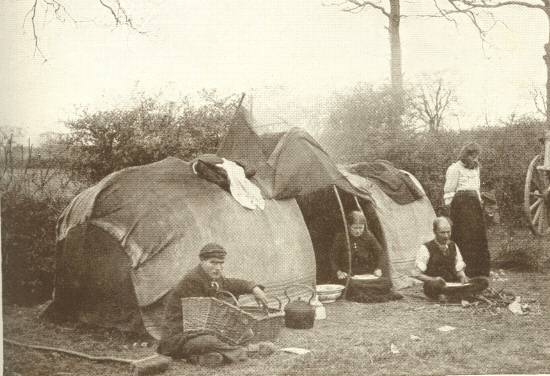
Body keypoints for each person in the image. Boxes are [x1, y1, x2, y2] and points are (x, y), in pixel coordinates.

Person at [157, 242, 268, 367]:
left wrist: (253, 288)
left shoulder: (213, 276)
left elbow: (231, 283)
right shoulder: (192, 280)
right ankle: (245, 353)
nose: (218, 267)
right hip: (181, 336)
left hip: (204, 330)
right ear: (202, 261)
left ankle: (203, 358)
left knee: (247, 333)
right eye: (213, 262)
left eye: (221, 263)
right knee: (209, 341)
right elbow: (201, 319)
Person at [443, 142, 490, 277]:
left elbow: (477, 188)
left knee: (477, 237)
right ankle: (463, 270)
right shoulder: (454, 168)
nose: (475, 159)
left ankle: (478, 270)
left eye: (476, 157)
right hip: (461, 207)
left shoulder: (476, 169)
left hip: (474, 206)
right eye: (472, 156)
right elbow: (449, 190)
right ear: (465, 156)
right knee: (464, 237)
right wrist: (450, 211)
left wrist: (479, 202)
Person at [415, 217, 489, 302]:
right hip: (439, 286)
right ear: (434, 232)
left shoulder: (453, 245)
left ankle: (451, 296)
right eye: (442, 233)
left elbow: (459, 266)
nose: (446, 236)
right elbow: (417, 274)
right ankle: (460, 295)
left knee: (483, 281)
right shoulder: (426, 248)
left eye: (448, 232)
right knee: (432, 285)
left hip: (454, 284)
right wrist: (433, 279)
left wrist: (462, 276)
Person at [330, 210, 382, 281]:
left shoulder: (369, 237)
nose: (358, 231)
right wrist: (338, 272)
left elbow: (380, 253)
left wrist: (379, 268)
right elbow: (333, 257)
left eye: (360, 228)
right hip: (346, 274)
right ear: (349, 226)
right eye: (355, 228)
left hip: (366, 273)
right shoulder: (341, 237)